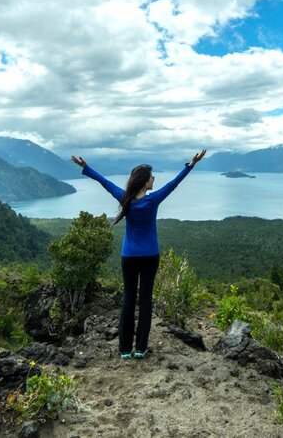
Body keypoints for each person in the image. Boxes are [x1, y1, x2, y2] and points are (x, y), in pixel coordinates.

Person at [70, 150, 206, 359]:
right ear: (144, 182)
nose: (154, 179)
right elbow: (175, 183)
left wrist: (86, 168)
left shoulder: (125, 198)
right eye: (151, 177)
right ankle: (141, 348)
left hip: (129, 256)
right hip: (150, 256)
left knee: (128, 300)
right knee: (145, 300)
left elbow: (104, 182)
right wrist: (191, 165)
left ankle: (125, 350)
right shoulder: (153, 201)